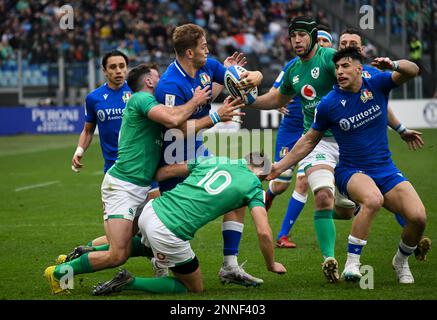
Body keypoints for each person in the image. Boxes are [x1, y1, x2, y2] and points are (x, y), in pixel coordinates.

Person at [44, 63, 231, 294]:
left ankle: (86, 254)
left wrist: (223, 74)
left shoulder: (153, 102)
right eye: (157, 76)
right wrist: (211, 112)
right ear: (149, 82)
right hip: (123, 186)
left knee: (147, 237)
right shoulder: (141, 100)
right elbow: (175, 120)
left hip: (142, 185)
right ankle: (59, 271)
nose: (162, 79)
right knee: (117, 254)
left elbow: (191, 106)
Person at [268, 47, 427, 284]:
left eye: (345, 66)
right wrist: (280, 167)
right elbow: (309, 139)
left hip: (385, 167)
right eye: (337, 67)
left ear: (359, 68)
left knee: (418, 218)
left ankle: (400, 262)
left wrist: (393, 64)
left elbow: (412, 70)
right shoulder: (329, 103)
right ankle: (352, 263)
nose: (340, 71)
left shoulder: (377, 83)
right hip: (351, 169)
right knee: (373, 200)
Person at [154, 23, 265, 287]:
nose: (208, 50)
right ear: (189, 52)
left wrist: (256, 78)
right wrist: (215, 116)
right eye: (203, 46)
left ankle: (230, 265)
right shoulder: (169, 85)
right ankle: (155, 260)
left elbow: (241, 78)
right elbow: (175, 130)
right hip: (172, 157)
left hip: (199, 152)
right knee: (172, 227)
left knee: (238, 193)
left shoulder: (208, 66)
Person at [250, 16, 356, 283]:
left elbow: (356, 83)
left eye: (301, 35)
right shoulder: (293, 69)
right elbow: (277, 98)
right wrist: (249, 101)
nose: (296, 40)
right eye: (292, 36)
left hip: (349, 142)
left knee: (348, 208)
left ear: (311, 35)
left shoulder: (330, 58)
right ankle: (330, 259)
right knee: (321, 196)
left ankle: (406, 246)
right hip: (316, 141)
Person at [92, 153, 286, 295]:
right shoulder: (253, 185)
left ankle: (89, 252)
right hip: (167, 229)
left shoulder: (217, 159)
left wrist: (139, 186)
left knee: (141, 246)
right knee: (194, 288)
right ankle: (129, 282)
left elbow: (168, 171)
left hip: (152, 209)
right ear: (263, 174)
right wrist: (271, 264)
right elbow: (264, 233)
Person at [338, 29, 431, 260]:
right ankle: (329, 257)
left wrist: (400, 129)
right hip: (331, 148)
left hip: (368, 155)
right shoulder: (331, 73)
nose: (347, 46)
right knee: (332, 204)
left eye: (353, 43)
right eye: (343, 42)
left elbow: (379, 106)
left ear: (362, 50)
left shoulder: (368, 75)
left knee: (382, 201)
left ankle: (409, 241)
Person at [70, 50, 160, 248]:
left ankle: (160, 265)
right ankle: (83, 253)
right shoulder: (94, 98)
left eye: (122, 66)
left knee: (157, 222)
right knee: (123, 237)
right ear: (104, 70)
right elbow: (88, 130)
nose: (118, 71)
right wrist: (79, 150)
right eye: (113, 67)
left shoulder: (138, 92)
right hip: (117, 172)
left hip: (145, 167)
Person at [266, 27, 335, 249]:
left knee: (304, 180)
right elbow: (275, 92)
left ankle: (283, 235)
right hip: (293, 127)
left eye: (327, 41)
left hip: (317, 132)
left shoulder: (333, 65)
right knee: (281, 182)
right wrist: (278, 104)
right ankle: (262, 200)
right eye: (320, 39)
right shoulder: (293, 67)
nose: (323, 44)